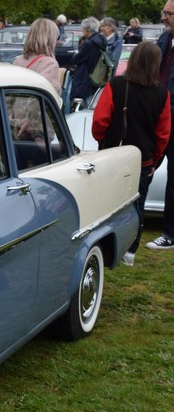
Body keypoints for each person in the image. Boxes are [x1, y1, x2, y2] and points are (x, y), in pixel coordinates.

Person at [92, 41, 171, 264]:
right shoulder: (162, 94)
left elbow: (100, 121)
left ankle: (104, 246)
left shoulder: (115, 85)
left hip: (113, 155)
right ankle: (130, 251)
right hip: (143, 159)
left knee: (106, 202)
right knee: (137, 204)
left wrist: (102, 142)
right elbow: (163, 133)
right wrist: (155, 159)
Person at [150, 1, 174, 249]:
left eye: (169, 13)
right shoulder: (163, 40)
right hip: (158, 116)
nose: (164, 17)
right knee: (145, 168)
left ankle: (170, 233)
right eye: (163, 13)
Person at [13, 18, 61, 94]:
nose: (57, 41)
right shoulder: (50, 64)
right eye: (57, 37)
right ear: (50, 39)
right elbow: (46, 97)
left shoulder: (18, 61)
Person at [70, 16, 106, 108]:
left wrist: (76, 54)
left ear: (87, 29)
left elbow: (76, 59)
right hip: (96, 76)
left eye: (83, 29)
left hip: (85, 78)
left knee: (85, 106)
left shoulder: (89, 44)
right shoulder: (101, 40)